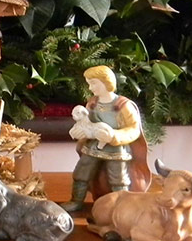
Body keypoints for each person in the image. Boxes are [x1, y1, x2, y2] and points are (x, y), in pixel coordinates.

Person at [61, 65, 150, 213]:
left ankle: (120, 206)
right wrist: (80, 131)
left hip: (116, 149)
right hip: (93, 147)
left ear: (105, 81)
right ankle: (76, 201)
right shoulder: (93, 103)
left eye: (93, 83)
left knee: (118, 179)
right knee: (81, 172)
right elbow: (85, 122)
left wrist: (114, 136)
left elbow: (133, 129)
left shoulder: (123, 105)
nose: (90, 87)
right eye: (89, 83)